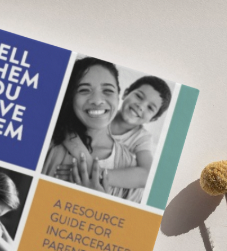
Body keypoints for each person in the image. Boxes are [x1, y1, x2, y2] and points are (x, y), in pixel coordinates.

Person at [56, 75, 171, 203]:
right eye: (139, 96)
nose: (141, 106)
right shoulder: (102, 112)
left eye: (150, 108)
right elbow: (67, 128)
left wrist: (95, 172)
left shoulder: (142, 138)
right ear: (125, 94)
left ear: (153, 119)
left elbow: (148, 176)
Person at [41, 57, 137, 197]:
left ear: (118, 97)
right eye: (84, 90)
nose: (97, 101)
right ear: (71, 97)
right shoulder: (47, 145)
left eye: (108, 91)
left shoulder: (130, 165)